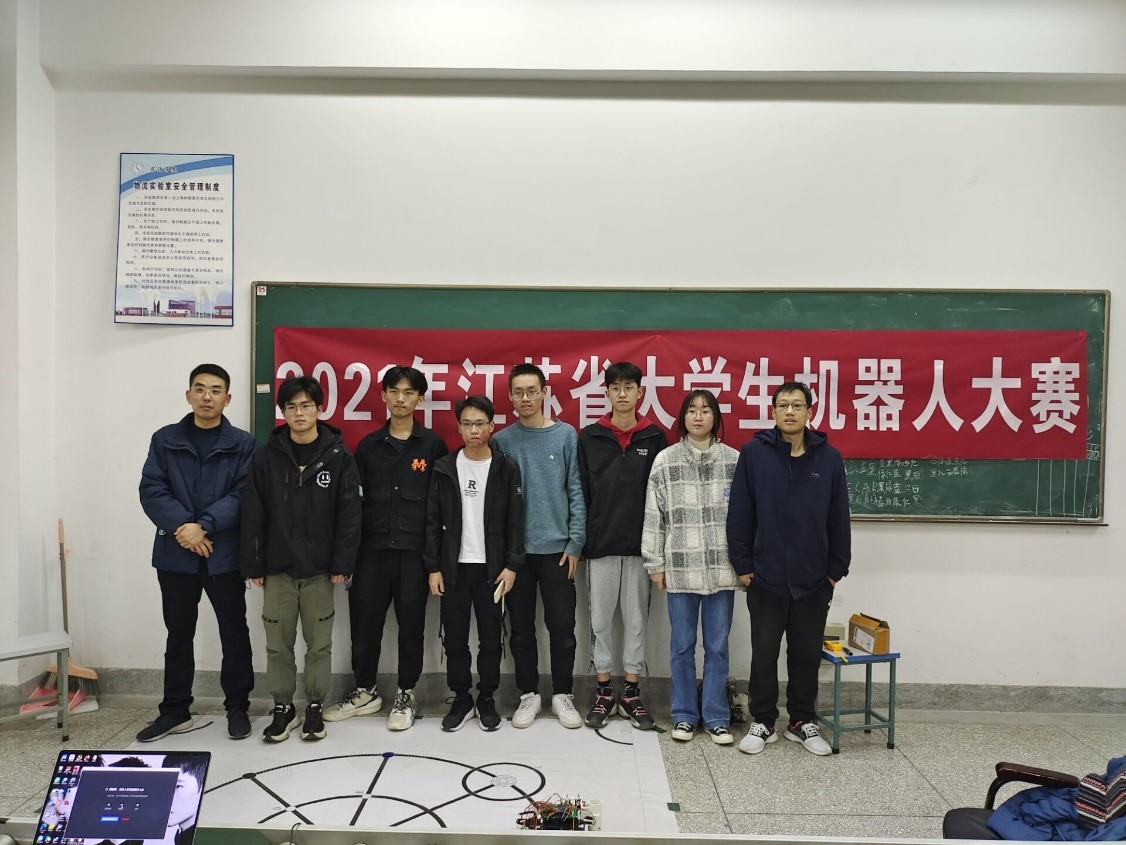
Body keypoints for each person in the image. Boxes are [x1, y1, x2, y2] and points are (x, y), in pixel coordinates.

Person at [727, 381, 851, 757]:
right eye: (783, 405)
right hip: (765, 577)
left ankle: (801, 721)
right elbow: (740, 513)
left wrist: (835, 570)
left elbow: (838, 517)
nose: (790, 411)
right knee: (764, 653)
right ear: (774, 412)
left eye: (798, 405)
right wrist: (743, 566)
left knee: (805, 654)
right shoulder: (754, 454)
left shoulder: (829, 458)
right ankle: (763, 721)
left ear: (810, 412)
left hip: (814, 579)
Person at [324, 365, 448, 731]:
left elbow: (440, 507)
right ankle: (365, 691)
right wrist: (347, 556)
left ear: (420, 399)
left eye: (409, 392)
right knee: (365, 626)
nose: (401, 399)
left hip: (414, 554)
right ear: (383, 396)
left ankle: (406, 693)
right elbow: (352, 505)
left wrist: (434, 560)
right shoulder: (368, 447)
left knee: (411, 627)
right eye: (394, 391)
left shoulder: (433, 446)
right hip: (371, 553)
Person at [138, 364, 256, 743]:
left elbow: (243, 494)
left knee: (233, 633)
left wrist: (204, 525)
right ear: (188, 394)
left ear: (228, 398)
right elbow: (152, 489)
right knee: (178, 634)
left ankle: (237, 707)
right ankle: (175, 711)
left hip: (223, 554)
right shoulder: (165, 439)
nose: (207, 396)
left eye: (216, 390)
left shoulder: (244, 444)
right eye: (200, 388)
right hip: (176, 554)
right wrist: (186, 529)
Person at [241, 375, 362, 743]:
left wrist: (342, 564)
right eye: (291, 407)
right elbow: (253, 512)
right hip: (277, 569)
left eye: (306, 406)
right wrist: (254, 563)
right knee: (277, 644)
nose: (299, 413)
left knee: (318, 644)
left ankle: (313, 706)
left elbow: (349, 514)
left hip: (320, 571)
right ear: (283, 412)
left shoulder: (339, 457)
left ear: (319, 409)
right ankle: (283, 707)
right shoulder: (266, 457)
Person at [642, 389, 741, 745]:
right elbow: (654, 516)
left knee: (717, 646)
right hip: (680, 568)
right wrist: (655, 562)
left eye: (706, 410)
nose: (699, 416)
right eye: (692, 410)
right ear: (683, 417)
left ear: (716, 418)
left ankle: (716, 716)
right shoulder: (665, 461)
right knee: (682, 646)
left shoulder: (734, 461)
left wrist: (746, 563)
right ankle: (684, 715)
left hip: (721, 569)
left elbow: (746, 518)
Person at [491, 363, 587, 729]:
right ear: (510, 396)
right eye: (518, 392)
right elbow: (497, 502)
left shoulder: (566, 435)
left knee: (562, 628)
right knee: (520, 629)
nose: (526, 397)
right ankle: (528, 694)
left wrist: (575, 542)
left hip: (559, 551)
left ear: (544, 392)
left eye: (532, 390)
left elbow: (575, 489)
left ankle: (563, 694)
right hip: (517, 555)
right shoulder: (502, 440)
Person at [424, 396, 524, 732]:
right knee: (454, 637)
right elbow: (432, 519)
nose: (474, 430)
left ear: (492, 426)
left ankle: (486, 697)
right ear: (459, 427)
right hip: (453, 568)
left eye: (480, 423)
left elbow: (515, 520)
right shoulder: (444, 467)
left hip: (492, 569)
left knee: (491, 639)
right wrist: (433, 567)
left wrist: (512, 565)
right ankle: (461, 697)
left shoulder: (505, 468)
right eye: (467, 424)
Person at [577, 361, 667, 729]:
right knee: (599, 621)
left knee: (636, 622)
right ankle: (603, 691)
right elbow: (581, 493)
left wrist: (658, 549)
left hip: (641, 548)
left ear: (640, 392)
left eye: (629, 387)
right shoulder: (590, 437)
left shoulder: (654, 437)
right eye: (615, 387)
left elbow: (661, 497)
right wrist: (581, 541)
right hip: (600, 545)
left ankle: (630, 692)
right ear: (607, 392)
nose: (622, 393)